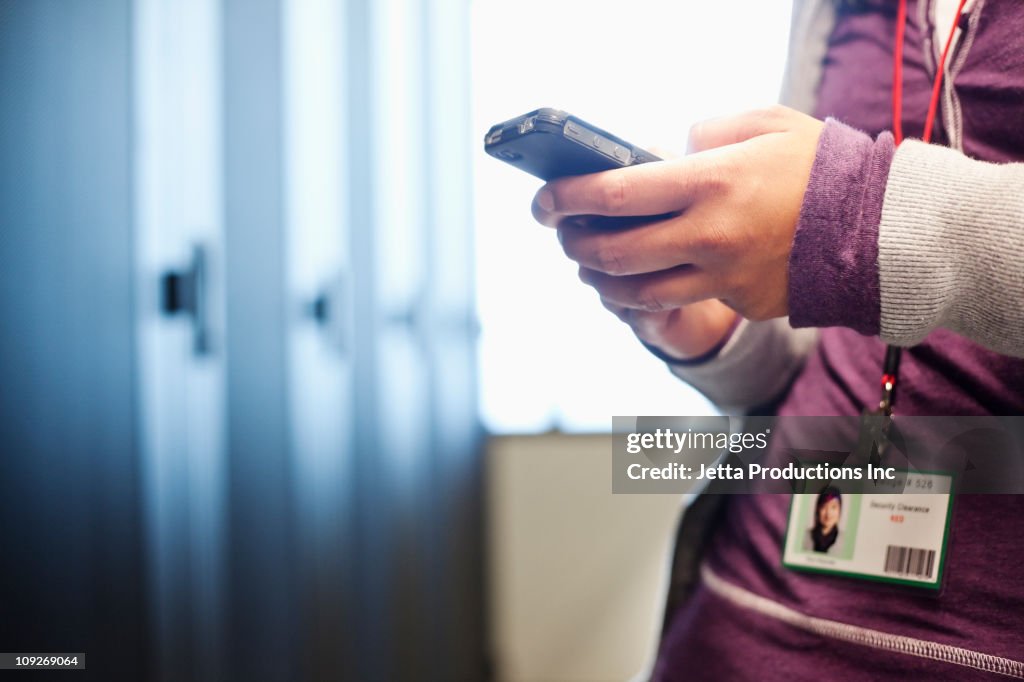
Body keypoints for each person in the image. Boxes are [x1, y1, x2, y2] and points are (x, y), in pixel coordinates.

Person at [531, 0, 1024, 678]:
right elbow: (815, 337)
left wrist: (859, 211)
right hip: (733, 617)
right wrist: (720, 339)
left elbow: (857, 227)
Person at [805, 486, 842, 553]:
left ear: (839, 511)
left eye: (833, 507)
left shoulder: (845, 542)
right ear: (817, 510)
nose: (828, 513)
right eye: (824, 506)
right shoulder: (804, 537)